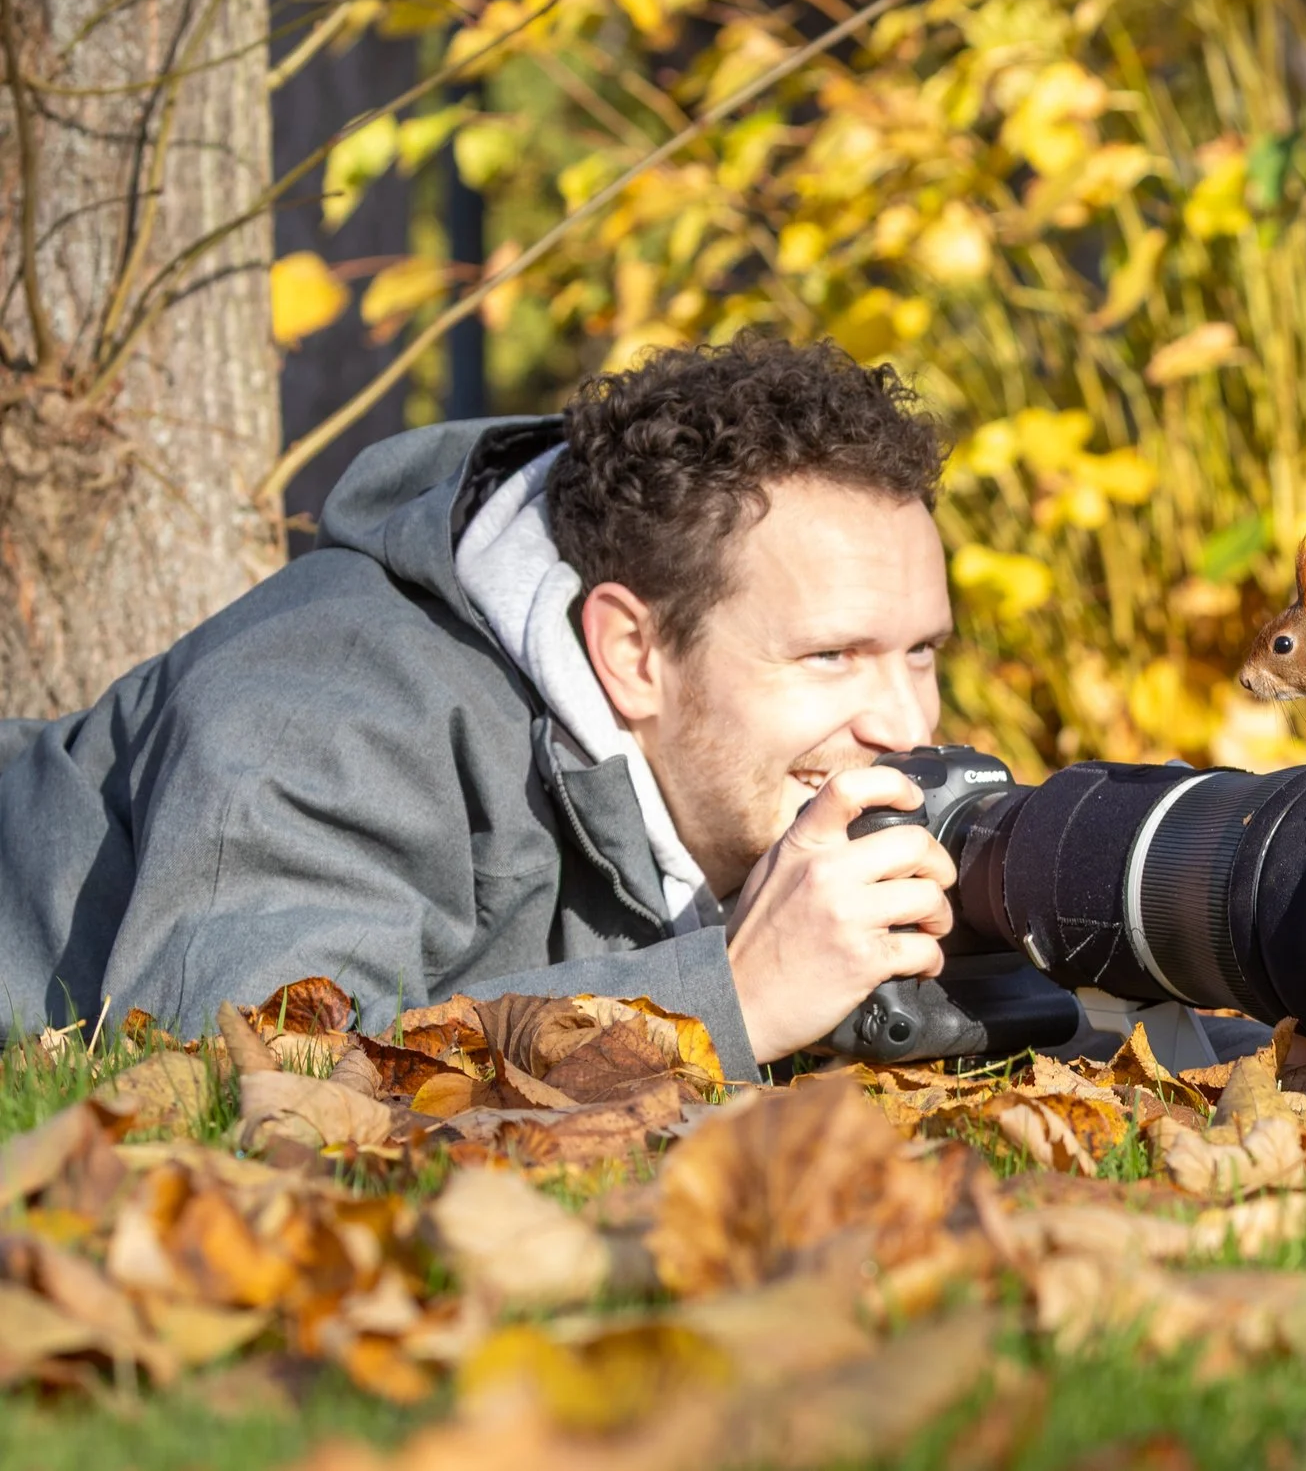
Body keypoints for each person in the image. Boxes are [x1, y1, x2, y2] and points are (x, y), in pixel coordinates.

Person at [0, 333, 971, 1083]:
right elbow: (252, 1074)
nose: (903, 722)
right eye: (831, 655)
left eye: (920, 652)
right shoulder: (331, 716)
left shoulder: (738, 783)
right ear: (632, 653)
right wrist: (734, 1001)